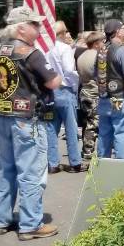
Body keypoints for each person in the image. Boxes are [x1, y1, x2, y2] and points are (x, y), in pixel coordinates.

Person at [0, 6, 61, 240]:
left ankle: (1, 220)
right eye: (34, 24)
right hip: (27, 118)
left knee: (6, 169)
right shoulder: (31, 53)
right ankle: (30, 224)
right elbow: (53, 82)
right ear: (21, 28)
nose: (39, 27)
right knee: (31, 172)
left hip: (3, 114)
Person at [96, 20, 124, 159]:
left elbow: (95, 74)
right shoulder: (122, 50)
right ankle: (122, 171)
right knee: (121, 133)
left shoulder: (101, 50)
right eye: (122, 28)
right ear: (117, 32)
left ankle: (101, 169)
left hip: (104, 98)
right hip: (120, 99)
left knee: (104, 134)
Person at [46, 21, 85, 174]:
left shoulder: (45, 48)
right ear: (61, 33)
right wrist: (76, 82)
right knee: (71, 128)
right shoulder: (65, 48)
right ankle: (75, 162)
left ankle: (52, 163)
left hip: (49, 91)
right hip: (64, 89)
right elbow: (69, 70)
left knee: (51, 128)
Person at [76, 31, 105, 160]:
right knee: (93, 123)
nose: (103, 44)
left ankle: (86, 149)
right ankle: (89, 150)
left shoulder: (81, 55)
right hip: (94, 92)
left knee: (86, 121)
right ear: (96, 43)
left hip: (84, 91)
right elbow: (102, 76)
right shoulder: (98, 56)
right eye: (102, 42)